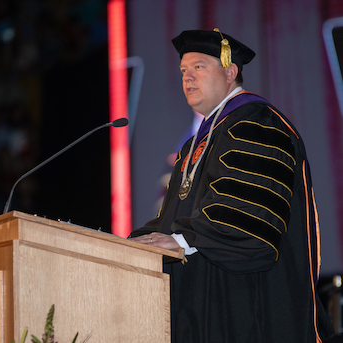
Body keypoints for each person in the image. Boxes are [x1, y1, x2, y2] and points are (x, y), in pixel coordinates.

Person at [129, 28, 335, 342]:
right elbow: (174, 218)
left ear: (230, 72)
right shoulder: (195, 145)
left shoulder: (256, 123)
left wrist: (183, 241)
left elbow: (248, 218)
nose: (188, 77)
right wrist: (136, 243)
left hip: (249, 308)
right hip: (203, 305)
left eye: (199, 67)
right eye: (184, 70)